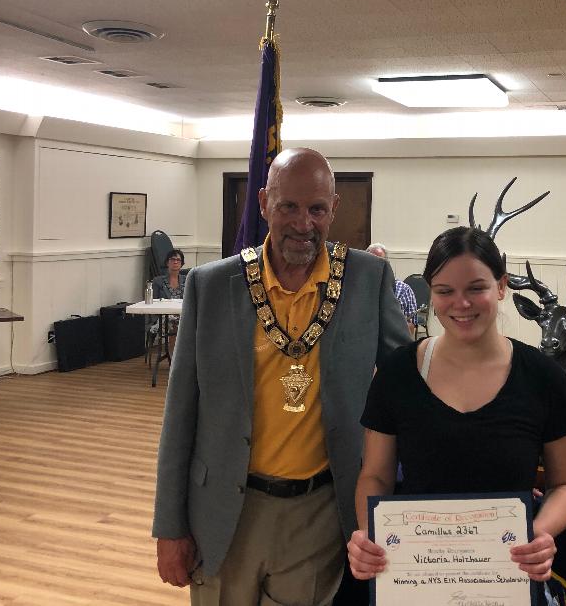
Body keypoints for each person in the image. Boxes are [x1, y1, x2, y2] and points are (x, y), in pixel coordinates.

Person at [153, 148, 411, 606]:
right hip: (222, 510)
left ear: (334, 207)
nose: (302, 222)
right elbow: (181, 413)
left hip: (319, 514)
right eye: (287, 206)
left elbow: (406, 391)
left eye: (316, 209)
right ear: (262, 203)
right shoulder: (211, 286)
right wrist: (170, 526)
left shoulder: (368, 279)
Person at [347, 227, 566, 602]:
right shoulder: (397, 373)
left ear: (502, 286)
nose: (461, 304)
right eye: (445, 291)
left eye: (476, 288)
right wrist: (369, 534)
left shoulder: (544, 377)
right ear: (430, 293)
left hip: (507, 576)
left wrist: (539, 532)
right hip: (416, 580)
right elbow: (375, 475)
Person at [366, 242, 417, 337]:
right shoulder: (360, 289)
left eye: (380, 261)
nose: (376, 266)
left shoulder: (404, 290)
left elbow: (411, 327)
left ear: (387, 264)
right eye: (371, 262)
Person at [149, 248, 187, 355]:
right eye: (172, 259)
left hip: (182, 314)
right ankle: (174, 357)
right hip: (164, 315)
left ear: (182, 263)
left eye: (178, 260)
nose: (175, 262)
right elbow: (153, 301)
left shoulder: (187, 279)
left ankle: (183, 357)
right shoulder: (158, 281)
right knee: (174, 323)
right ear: (167, 262)